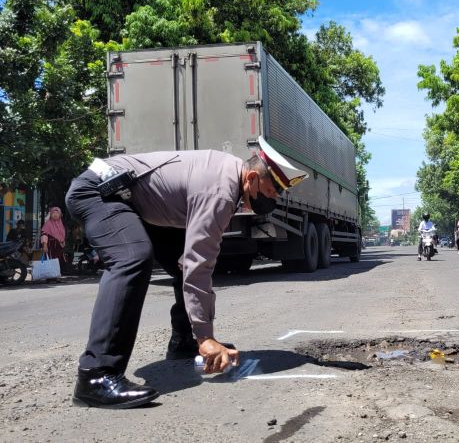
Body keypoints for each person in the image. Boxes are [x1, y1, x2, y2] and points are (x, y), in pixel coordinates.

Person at [65, 136, 307, 408]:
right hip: (100, 192)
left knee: (183, 258)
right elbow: (200, 263)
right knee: (133, 258)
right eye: (271, 191)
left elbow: (193, 259)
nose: (272, 200)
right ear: (251, 177)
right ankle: (96, 377)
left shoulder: (229, 175)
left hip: (133, 201)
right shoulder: (220, 191)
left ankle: (183, 342)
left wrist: (200, 335)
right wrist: (207, 336)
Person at [41, 206, 69, 271]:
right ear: (51, 214)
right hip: (50, 247)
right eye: (53, 213)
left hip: (59, 247)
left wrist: (63, 241)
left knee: (58, 261)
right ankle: (50, 277)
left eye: (57, 213)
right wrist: (44, 245)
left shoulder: (61, 224)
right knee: (51, 260)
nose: (55, 214)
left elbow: (62, 235)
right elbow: (44, 235)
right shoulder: (48, 224)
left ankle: (56, 276)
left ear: (60, 215)